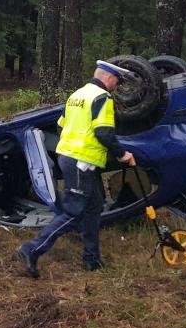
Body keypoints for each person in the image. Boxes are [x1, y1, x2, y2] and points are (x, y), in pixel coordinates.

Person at [15, 60, 138, 278]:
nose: (116, 87)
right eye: (116, 82)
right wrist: (121, 154)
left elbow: (61, 125)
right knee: (74, 211)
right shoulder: (102, 98)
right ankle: (31, 249)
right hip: (81, 161)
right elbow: (103, 132)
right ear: (108, 78)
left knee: (93, 207)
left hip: (69, 157)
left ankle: (92, 259)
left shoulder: (77, 95)